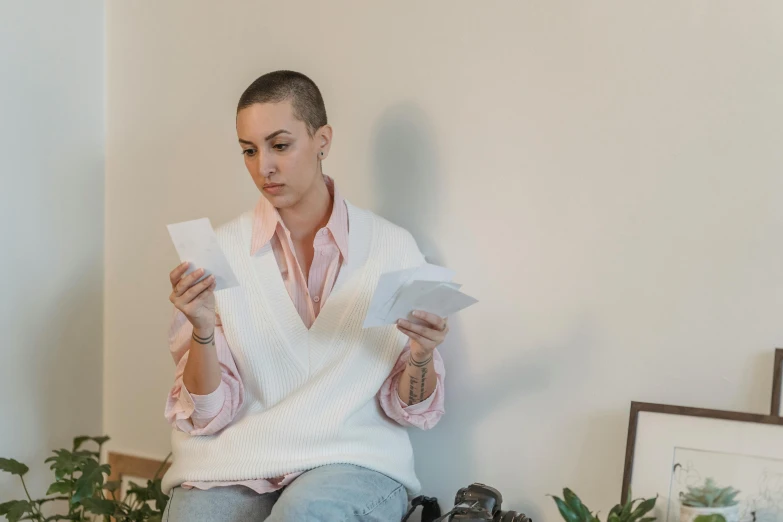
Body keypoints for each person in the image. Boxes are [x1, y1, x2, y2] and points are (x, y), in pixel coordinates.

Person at [161, 70, 450, 522]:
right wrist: (200, 332)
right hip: (235, 462)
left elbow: (409, 409)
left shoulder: (394, 249)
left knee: (306, 514)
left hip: (354, 459)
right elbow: (207, 416)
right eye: (249, 151)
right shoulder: (218, 252)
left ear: (322, 141)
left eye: (280, 145)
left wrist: (421, 355)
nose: (264, 168)